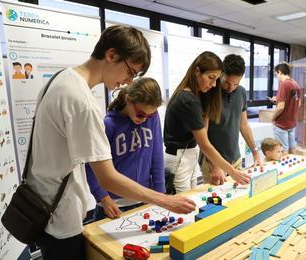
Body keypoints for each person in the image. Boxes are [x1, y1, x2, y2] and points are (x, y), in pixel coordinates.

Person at [26, 25, 195, 260]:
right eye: (130, 71)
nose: (128, 82)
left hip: (43, 208)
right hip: (60, 217)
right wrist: (166, 199)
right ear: (112, 55)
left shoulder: (60, 79)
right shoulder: (82, 101)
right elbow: (107, 177)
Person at [164, 51, 250, 193]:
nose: (214, 84)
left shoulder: (195, 96)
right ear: (197, 71)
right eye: (211, 78)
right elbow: (204, 143)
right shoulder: (188, 99)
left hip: (188, 154)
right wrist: (232, 172)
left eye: (216, 79)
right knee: (183, 202)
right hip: (180, 158)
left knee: (191, 200)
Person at [85, 77, 165, 220]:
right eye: (141, 114)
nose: (145, 119)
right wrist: (103, 198)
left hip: (144, 200)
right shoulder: (109, 125)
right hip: (114, 205)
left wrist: (160, 194)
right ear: (128, 100)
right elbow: (91, 167)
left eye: (150, 114)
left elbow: (157, 156)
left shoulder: (152, 118)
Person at [200, 54, 262, 185]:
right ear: (221, 74)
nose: (231, 87)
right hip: (213, 162)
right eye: (227, 82)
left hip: (236, 159)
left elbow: (244, 124)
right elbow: (203, 135)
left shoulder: (241, 92)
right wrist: (214, 165)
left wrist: (255, 152)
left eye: (236, 84)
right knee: (216, 202)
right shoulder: (209, 93)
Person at [269, 63, 300, 155]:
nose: (277, 77)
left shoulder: (284, 84)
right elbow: (298, 103)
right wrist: (277, 100)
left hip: (282, 124)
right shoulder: (295, 84)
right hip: (292, 122)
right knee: (292, 148)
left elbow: (281, 107)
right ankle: (294, 168)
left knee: (283, 150)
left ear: (280, 72)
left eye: (276, 74)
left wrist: (272, 118)